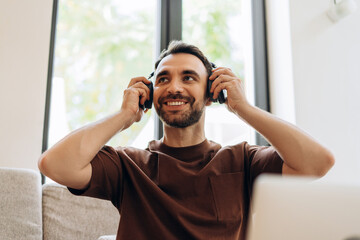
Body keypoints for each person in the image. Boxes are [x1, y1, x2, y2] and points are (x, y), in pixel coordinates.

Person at [38, 41, 334, 240]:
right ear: (151, 94)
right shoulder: (127, 164)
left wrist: (243, 108)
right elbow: (55, 164)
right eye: (163, 79)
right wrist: (124, 116)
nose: (174, 87)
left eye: (189, 77)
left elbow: (318, 163)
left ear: (212, 93)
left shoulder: (242, 160)